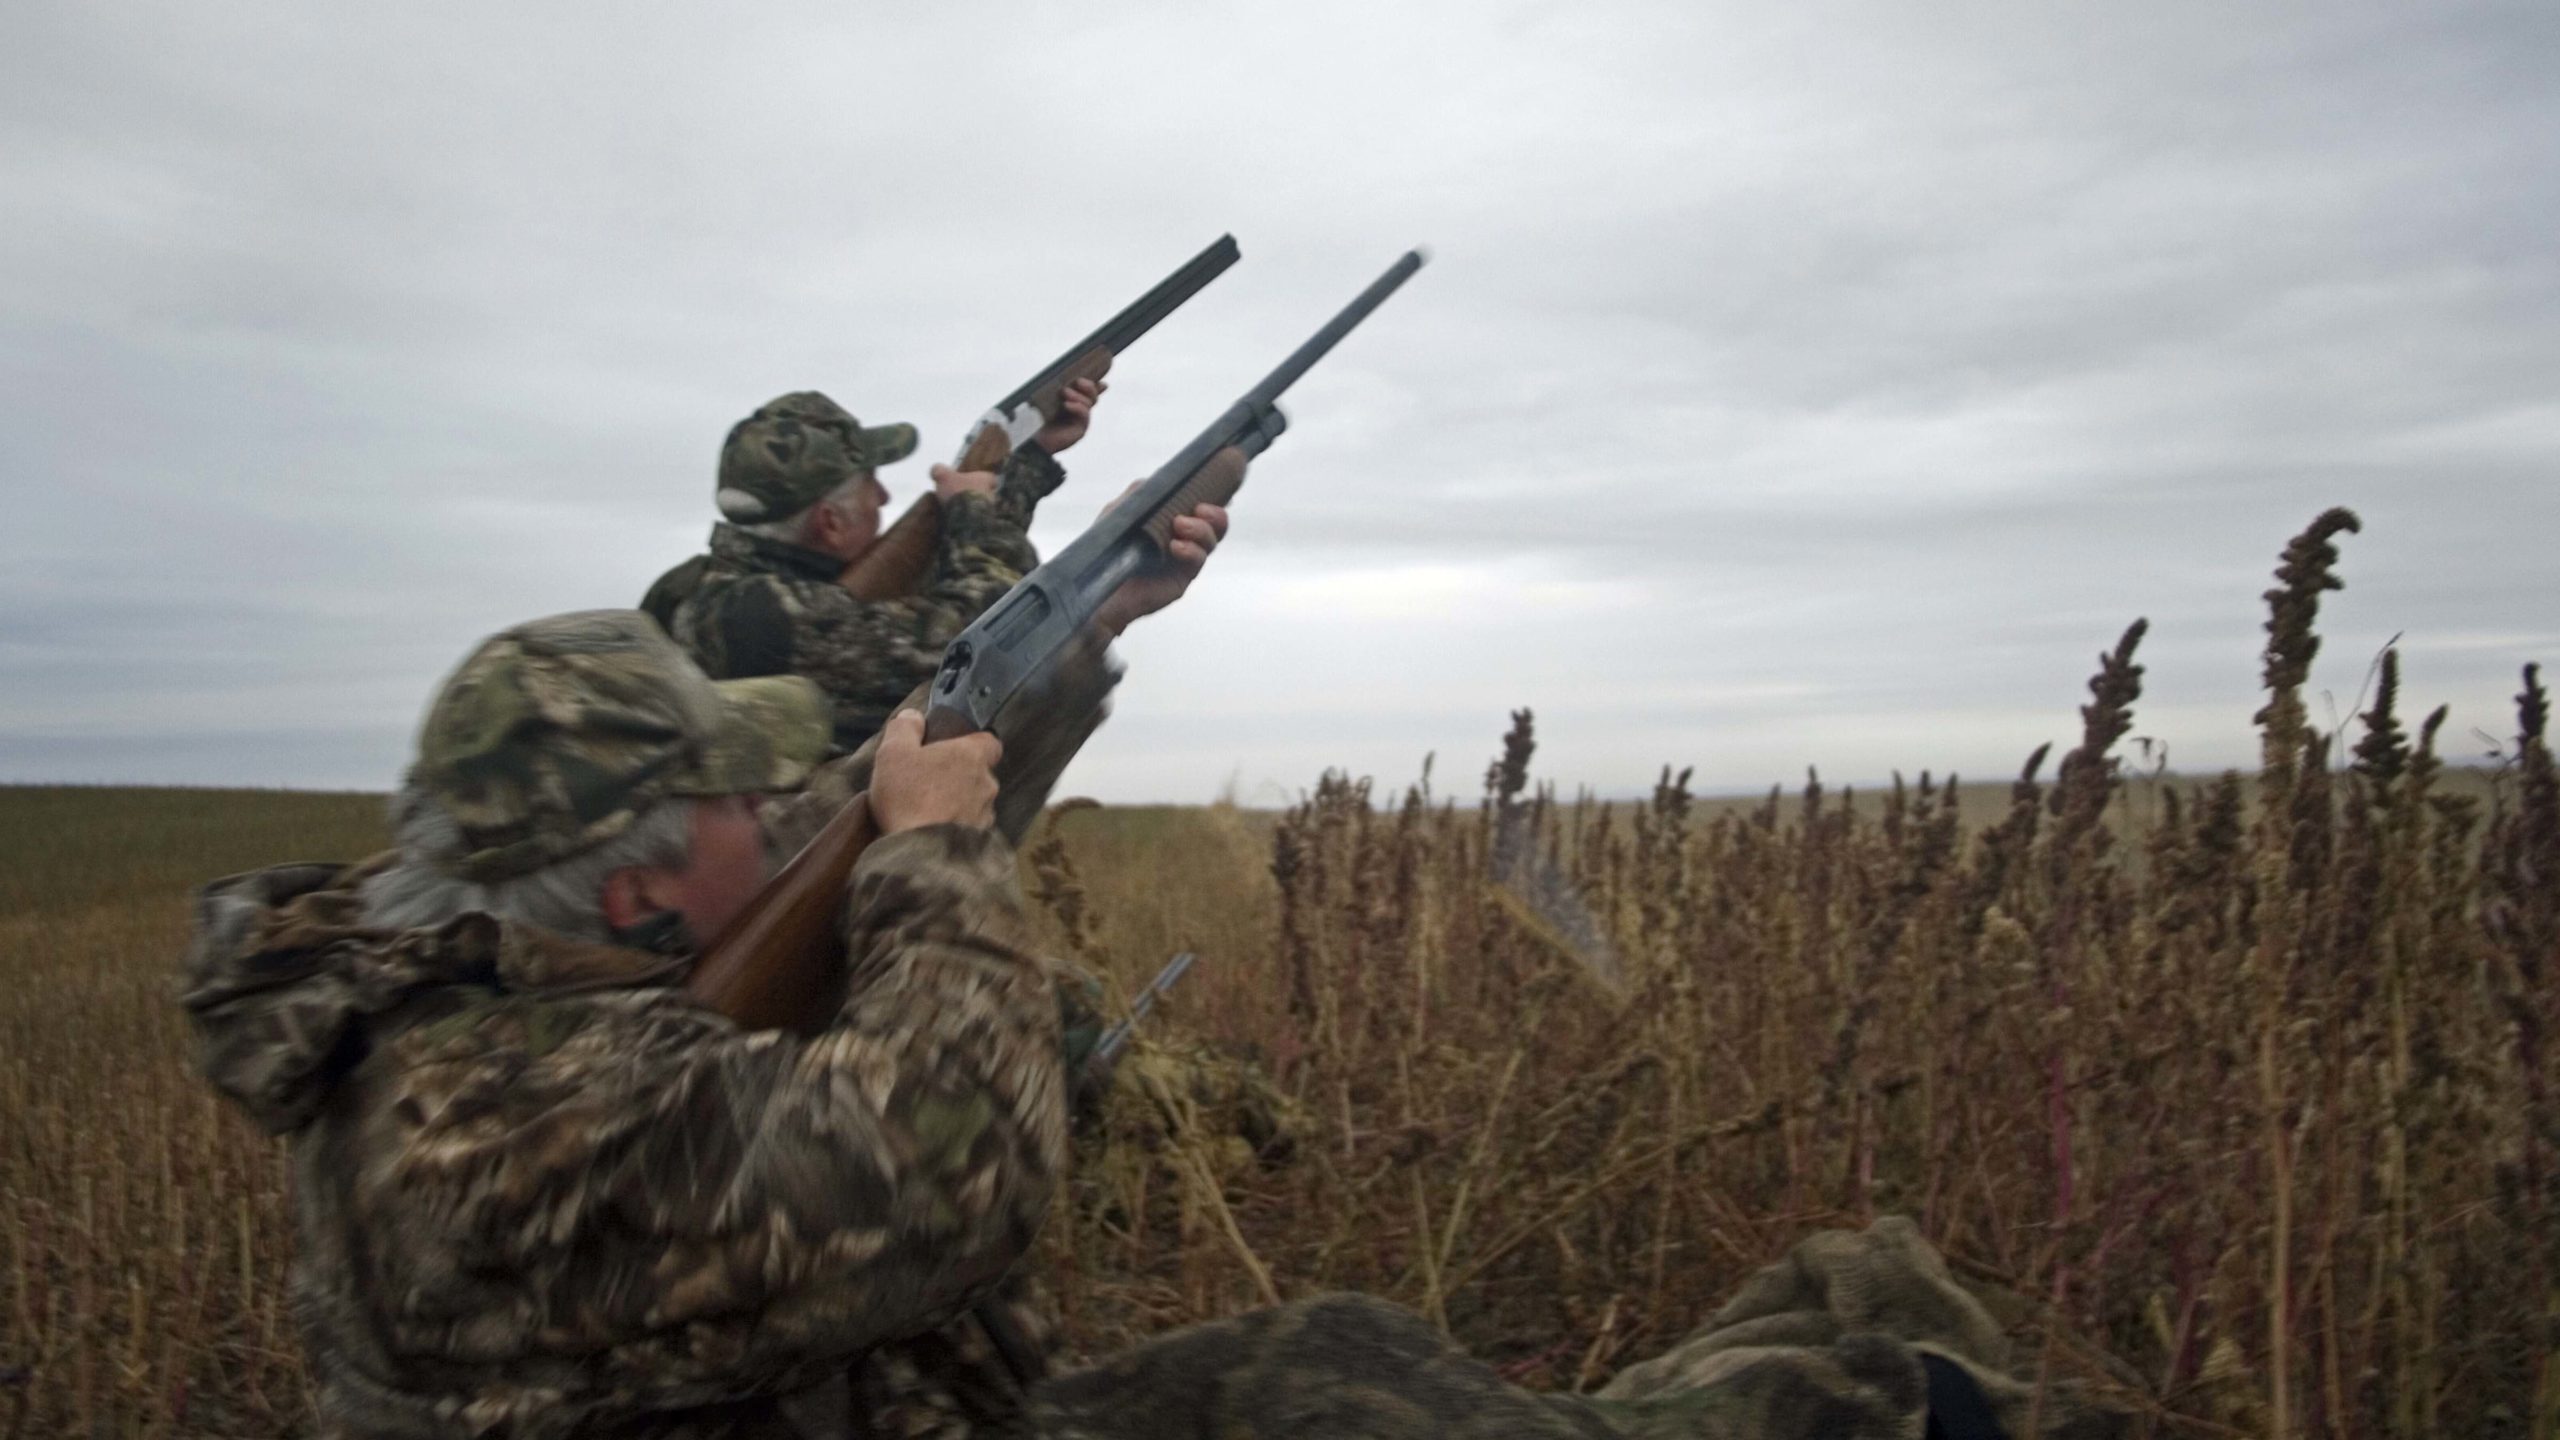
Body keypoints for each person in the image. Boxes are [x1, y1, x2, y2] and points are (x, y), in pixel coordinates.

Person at [182, 484, 1221, 1438]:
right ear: (635, 891)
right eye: (735, 794)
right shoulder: (507, 1118)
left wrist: (1082, 619)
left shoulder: (495, 953)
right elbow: (963, 1172)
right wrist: (934, 857)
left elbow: (833, 816)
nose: (773, 804)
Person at [647, 381, 1103, 751]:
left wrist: (1028, 458)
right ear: (830, 522)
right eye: (871, 484)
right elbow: (984, 631)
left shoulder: (701, 589)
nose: (884, 498)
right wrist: (970, 510)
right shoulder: (770, 618)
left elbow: (948, 590)